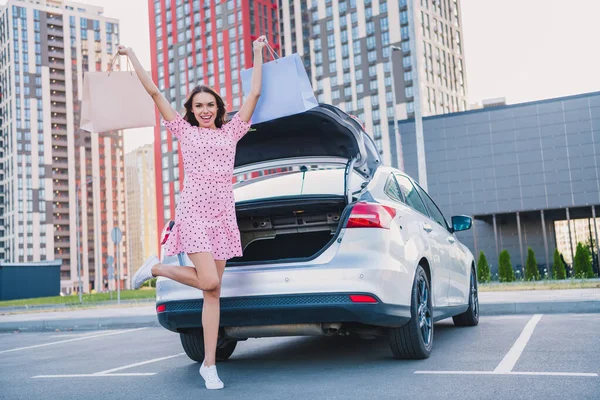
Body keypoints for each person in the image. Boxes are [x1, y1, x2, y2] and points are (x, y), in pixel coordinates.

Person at [120, 35, 267, 390]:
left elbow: (254, 96)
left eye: (210, 105)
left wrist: (258, 53)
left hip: (223, 215)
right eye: (198, 105)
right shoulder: (184, 132)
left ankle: (210, 365)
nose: (204, 110)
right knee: (211, 281)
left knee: (212, 293)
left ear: (218, 108)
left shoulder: (232, 132)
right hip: (195, 213)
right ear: (192, 109)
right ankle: (156, 268)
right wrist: (133, 55)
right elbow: (156, 94)